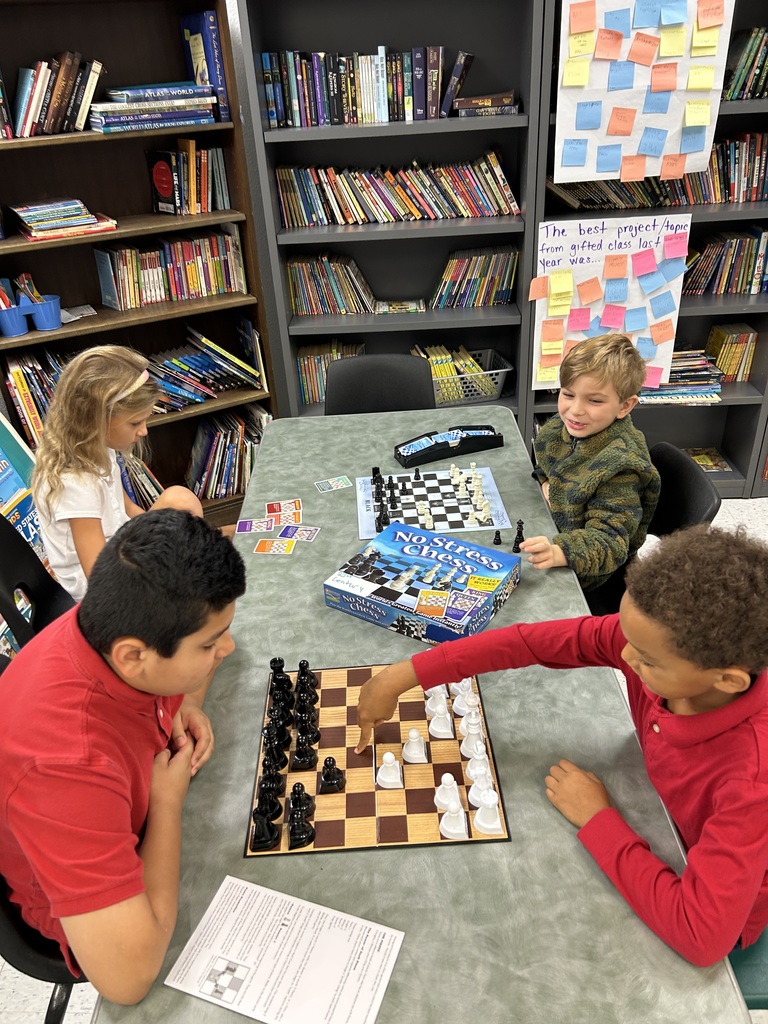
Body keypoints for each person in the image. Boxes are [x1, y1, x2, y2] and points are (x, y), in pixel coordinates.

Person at [355, 525, 768, 968]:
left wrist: (599, 819)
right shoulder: (656, 645)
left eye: (645, 660)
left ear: (727, 681)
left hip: (721, 906)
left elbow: (702, 937)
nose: (623, 656)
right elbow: (528, 642)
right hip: (654, 808)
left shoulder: (751, 781)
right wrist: (404, 674)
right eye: (627, 639)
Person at [0, 510, 246, 1004]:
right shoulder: (66, 764)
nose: (226, 649)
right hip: (86, 924)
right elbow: (128, 980)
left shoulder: (112, 622)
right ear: (133, 656)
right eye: (207, 644)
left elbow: (183, 669)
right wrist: (167, 803)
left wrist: (187, 701)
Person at [31, 345, 204, 600]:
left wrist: (162, 540)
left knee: (180, 499)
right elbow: (98, 573)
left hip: (120, 549)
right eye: (135, 422)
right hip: (102, 587)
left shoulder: (99, 449)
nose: (144, 431)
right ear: (96, 419)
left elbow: (128, 510)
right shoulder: (76, 483)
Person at [520, 333, 660, 593]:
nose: (575, 410)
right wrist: (546, 481)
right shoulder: (566, 428)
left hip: (586, 573)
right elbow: (546, 464)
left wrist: (559, 551)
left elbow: (610, 543)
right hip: (550, 528)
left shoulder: (621, 468)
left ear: (625, 406)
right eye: (568, 394)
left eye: (594, 400)